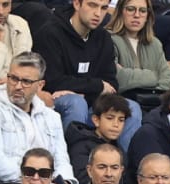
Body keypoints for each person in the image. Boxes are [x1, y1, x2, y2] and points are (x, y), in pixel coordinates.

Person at [38, 0, 137, 137]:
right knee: (76, 103)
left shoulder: (103, 37)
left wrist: (83, 91)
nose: (98, 14)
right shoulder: (51, 33)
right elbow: (52, 81)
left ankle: (125, 158)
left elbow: (111, 85)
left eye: (103, 8)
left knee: (132, 108)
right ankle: (76, 156)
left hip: (93, 103)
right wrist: (96, 85)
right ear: (77, 4)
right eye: (92, 5)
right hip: (56, 102)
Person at [0, 52, 76, 184]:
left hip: (50, 183)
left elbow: (61, 159)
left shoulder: (52, 116)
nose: (18, 86)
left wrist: (65, 182)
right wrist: (38, 180)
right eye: (13, 79)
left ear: (40, 85)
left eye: (26, 81)